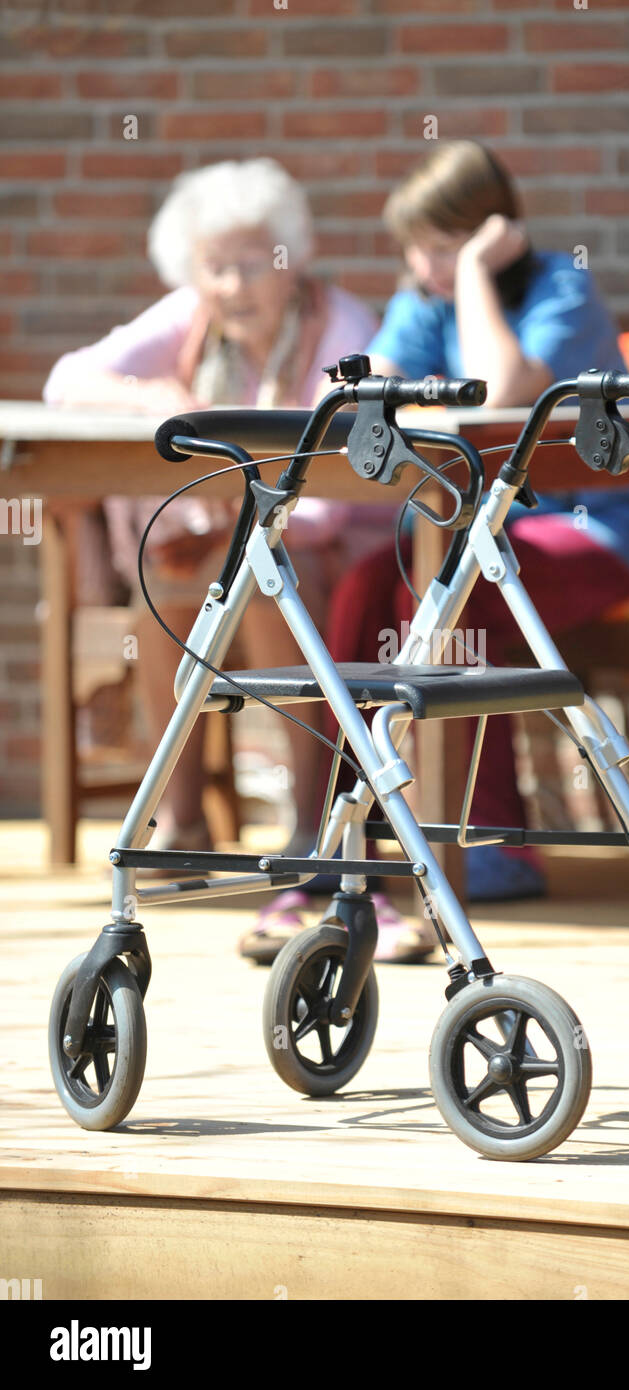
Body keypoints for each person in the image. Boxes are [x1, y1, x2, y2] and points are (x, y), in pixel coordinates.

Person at [243, 141, 629, 965]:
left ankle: (488, 845)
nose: (420, 265)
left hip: (592, 530)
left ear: (488, 233)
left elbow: (503, 394)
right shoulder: (422, 300)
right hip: (481, 537)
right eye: (415, 249)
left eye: (439, 245)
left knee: (440, 596)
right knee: (366, 585)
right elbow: (358, 394)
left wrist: (469, 275)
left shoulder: (558, 291)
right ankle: (345, 838)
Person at [43, 157, 385, 868]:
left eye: (253, 265)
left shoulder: (341, 326)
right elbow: (67, 378)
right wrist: (156, 398)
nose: (232, 287)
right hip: (226, 543)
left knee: (264, 582)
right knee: (166, 589)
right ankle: (183, 821)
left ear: (292, 258)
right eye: (215, 267)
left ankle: (310, 817)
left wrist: (239, 518)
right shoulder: (191, 318)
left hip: (342, 549)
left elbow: (332, 499)